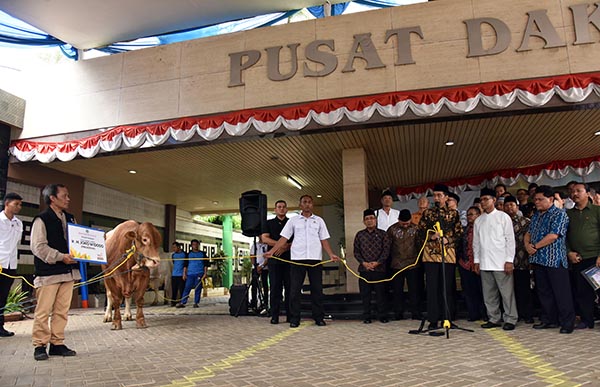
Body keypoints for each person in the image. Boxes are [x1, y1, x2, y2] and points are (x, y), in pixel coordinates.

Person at [266, 195, 340, 328]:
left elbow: (324, 239)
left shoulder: (319, 221)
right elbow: (284, 238)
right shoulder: (294, 221)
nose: (307, 204)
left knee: (317, 289)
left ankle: (319, 317)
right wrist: (272, 251)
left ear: (312, 205)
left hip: (315, 259)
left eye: (309, 202)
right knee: (295, 290)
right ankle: (295, 319)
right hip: (297, 260)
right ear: (300, 205)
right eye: (304, 202)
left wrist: (331, 254)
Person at [31, 184, 80, 361]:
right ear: (52, 198)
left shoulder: (70, 218)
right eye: (65, 195)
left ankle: (57, 343)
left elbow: (78, 241)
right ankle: (39, 345)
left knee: (62, 311)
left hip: (68, 272)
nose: (68, 199)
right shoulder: (41, 219)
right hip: (48, 273)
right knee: (43, 311)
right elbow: (38, 247)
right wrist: (60, 257)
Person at [525, 185, 575, 334]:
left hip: (555, 260)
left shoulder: (560, 214)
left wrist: (534, 246)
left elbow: (554, 235)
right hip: (539, 260)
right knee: (544, 292)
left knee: (561, 293)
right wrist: (527, 245)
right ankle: (549, 320)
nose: (537, 202)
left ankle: (567, 322)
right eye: (535, 199)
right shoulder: (536, 216)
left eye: (540, 199)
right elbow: (528, 233)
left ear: (551, 199)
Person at [417, 184, 463, 330]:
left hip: (447, 255)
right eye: (434, 195)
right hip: (430, 255)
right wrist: (431, 236)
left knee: (447, 287)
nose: (436, 198)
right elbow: (419, 233)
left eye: (439, 195)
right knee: (432, 288)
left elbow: (459, 233)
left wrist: (447, 240)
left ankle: (447, 318)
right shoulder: (428, 213)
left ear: (446, 197)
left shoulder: (454, 214)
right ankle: (433, 320)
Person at [473, 189, 518, 331]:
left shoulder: (503, 217)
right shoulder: (478, 221)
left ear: (494, 200)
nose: (483, 202)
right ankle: (493, 318)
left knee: (506, 293)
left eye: (486, 199)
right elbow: (476, 243)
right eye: (481, 200)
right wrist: (476, 260)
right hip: (485, 262)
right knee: (489, 294)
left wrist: (509, 260)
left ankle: (510, 318)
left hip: (501, 262)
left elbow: (510, 240)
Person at [566, 182, 600, 329]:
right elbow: (564, 237)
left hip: (596, 258)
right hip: (578, 258)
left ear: (588, 193)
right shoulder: (568, 214)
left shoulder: (597, 211)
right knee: (582, 292)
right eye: (572, 191)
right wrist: (569, 253)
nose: (575, 194)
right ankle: (587, 320)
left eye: (578, 191)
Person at [354, 209, 391, 324]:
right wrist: (364, 263)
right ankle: (367, 316)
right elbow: (356, 252)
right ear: (364, 221)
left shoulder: (383, 234)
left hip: (379, 269)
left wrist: (377, 262)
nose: (369, 221)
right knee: (365, 295)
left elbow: (386, 251)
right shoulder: (360, 235)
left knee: (381, 294)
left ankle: (382, 315)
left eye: (371, 218)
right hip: (364, 270)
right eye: (367, 219)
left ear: (375, 220)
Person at [387, 209, 423, 320]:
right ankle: (398, 313)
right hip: (397, 264)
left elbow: (420, 245)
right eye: (403, 223)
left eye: (407, 222)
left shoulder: (416, 229)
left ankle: (415, 312)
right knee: (397, 290)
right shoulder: (392, 230)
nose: (406, 225)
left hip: (413, 264)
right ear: (398, 220)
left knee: (414, 290)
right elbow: (388, 246)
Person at [504, 195, 534, 324]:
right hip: (506, 261)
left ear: (517, 206)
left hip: (523, 260)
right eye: (507, 205)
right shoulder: (502, 221)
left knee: (524, 289)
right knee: (510, 291)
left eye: (512, 204)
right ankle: (514, 314)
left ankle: (527, 314)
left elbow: (531, 240)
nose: (509, 207)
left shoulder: (526, 221)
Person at [261, 199, 292, 324]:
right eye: (279, 207)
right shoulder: (268, 223)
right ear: (275, 209)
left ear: (286, 209)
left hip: (290, 260)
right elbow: (265, 238)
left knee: (290, 288)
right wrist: (280, 245)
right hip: (274, 261)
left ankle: (291, 316)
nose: (281, 209)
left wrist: (285, 246)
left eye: (284, 207)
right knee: (275, 289)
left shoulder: (291, 223)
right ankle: (274, 315)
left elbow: (297, 239)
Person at [457, 206, 487, 322]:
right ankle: (473, 314)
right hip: (465, 264)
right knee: (469, 291)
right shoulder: (463, 230)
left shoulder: (483, 229)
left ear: (479, 215)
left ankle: (485, 313)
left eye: (472, 214)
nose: (469, 217)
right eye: (468, 214)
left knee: (482, 290)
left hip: (481, 264)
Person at [0, 192, 23, 337]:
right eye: (16, 204)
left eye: (20, 204)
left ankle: (0, 327)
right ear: (7, 204)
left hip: (11, 265)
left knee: (2, 296)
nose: (19, 207)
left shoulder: (18, 223)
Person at [176, 239, 206, 308]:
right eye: (193, 245)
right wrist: (184, 273)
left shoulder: (202, 254)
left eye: (196, 244)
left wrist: (205, 273)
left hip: (199, 273)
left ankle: (196, 302)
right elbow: (185, 265)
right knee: (187, 287)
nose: (195, 246)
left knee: (198, 288)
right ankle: (183, 302)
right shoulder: (188, 254)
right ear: (191, 246)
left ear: (198, 245)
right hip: (190, 274)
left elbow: (205, 264)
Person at [250, 240, 269, 313]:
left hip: (265, 268)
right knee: (254, 285)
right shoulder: (255, 245)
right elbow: (252, 256)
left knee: (265, 285)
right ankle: (254, 303)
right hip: (255, 267)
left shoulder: (267, 245)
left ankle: (265, 303)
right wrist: (256, 266)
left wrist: (262, 266)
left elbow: (268, 258)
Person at [170, 242, 187, 307]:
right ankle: (173, 302)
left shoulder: (184, 254)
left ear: (179, 247)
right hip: (174, 274)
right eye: (173, 247)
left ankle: (182, 302)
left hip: (181, 275)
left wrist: (184, 274)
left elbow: (185, 265)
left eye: (174, 247)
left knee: (182, 289)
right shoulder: (173, 255)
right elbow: (174, 262)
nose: (173, 249)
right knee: (174, 289)